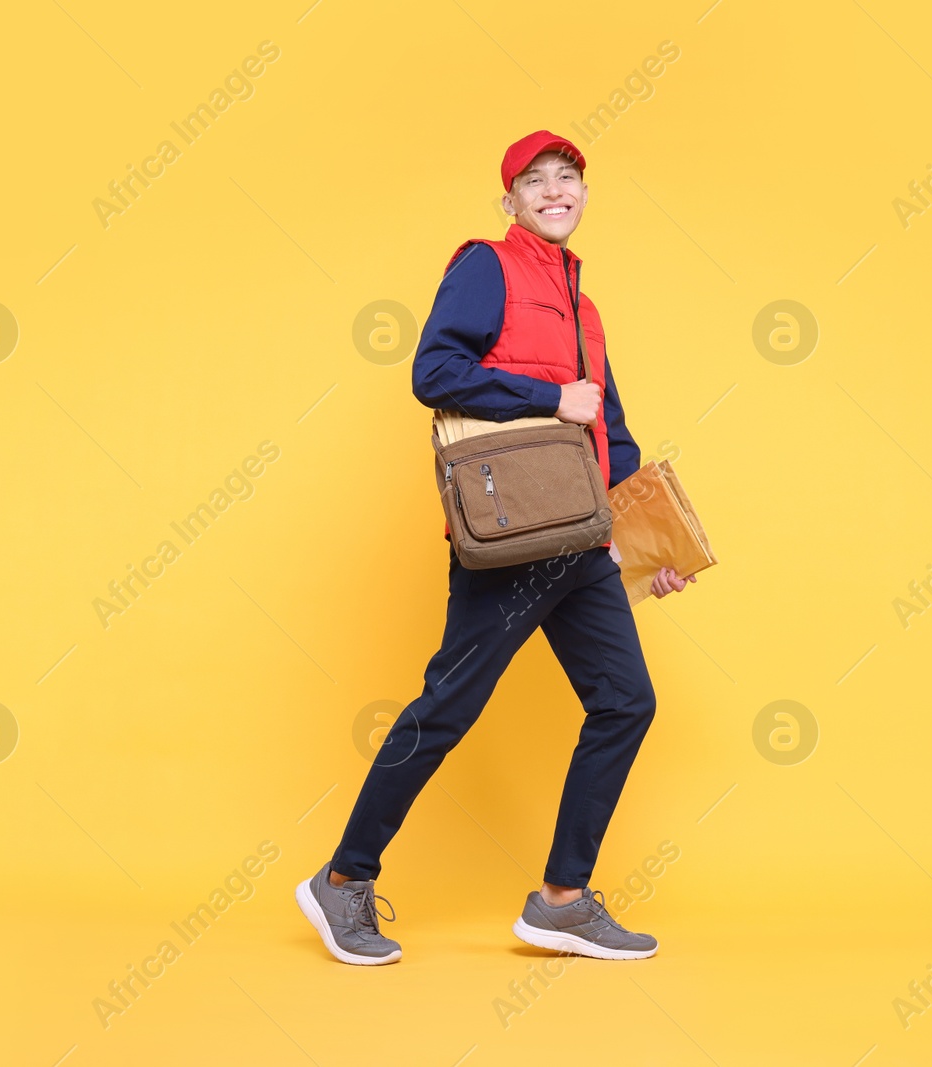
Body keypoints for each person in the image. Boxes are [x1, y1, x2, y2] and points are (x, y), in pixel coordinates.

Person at [295, 130, 696, 966]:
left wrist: (650, 543)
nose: (556, 192)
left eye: (569, 180)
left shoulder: (584, 303)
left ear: (584, 196)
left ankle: (562, 899)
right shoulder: (486, 265)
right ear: (509, 200)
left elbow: (608, 434)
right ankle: (343, 878)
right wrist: (553, 396)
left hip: (582, 540)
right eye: (536, 181)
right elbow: (434, 372)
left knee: (626, 701)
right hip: (509, 533)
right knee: (448, 708)